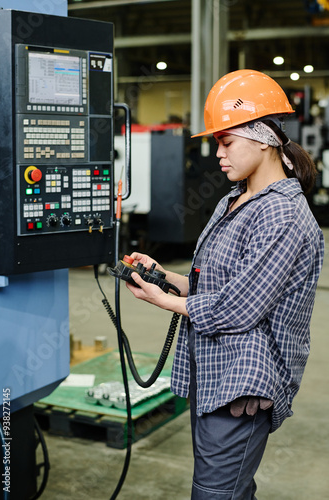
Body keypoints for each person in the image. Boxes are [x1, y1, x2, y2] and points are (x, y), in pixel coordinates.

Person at [125, 69, 325, 499]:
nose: (217, 153)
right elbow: (218, 283)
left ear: (263, 138)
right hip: (213, 371)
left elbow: (238, 307)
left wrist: (165, 301)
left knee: (215, 494)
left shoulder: (283, 215)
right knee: (230, 490)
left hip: (243, 385)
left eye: (226, 141)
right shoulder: (233, 200)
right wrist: (168, 278)